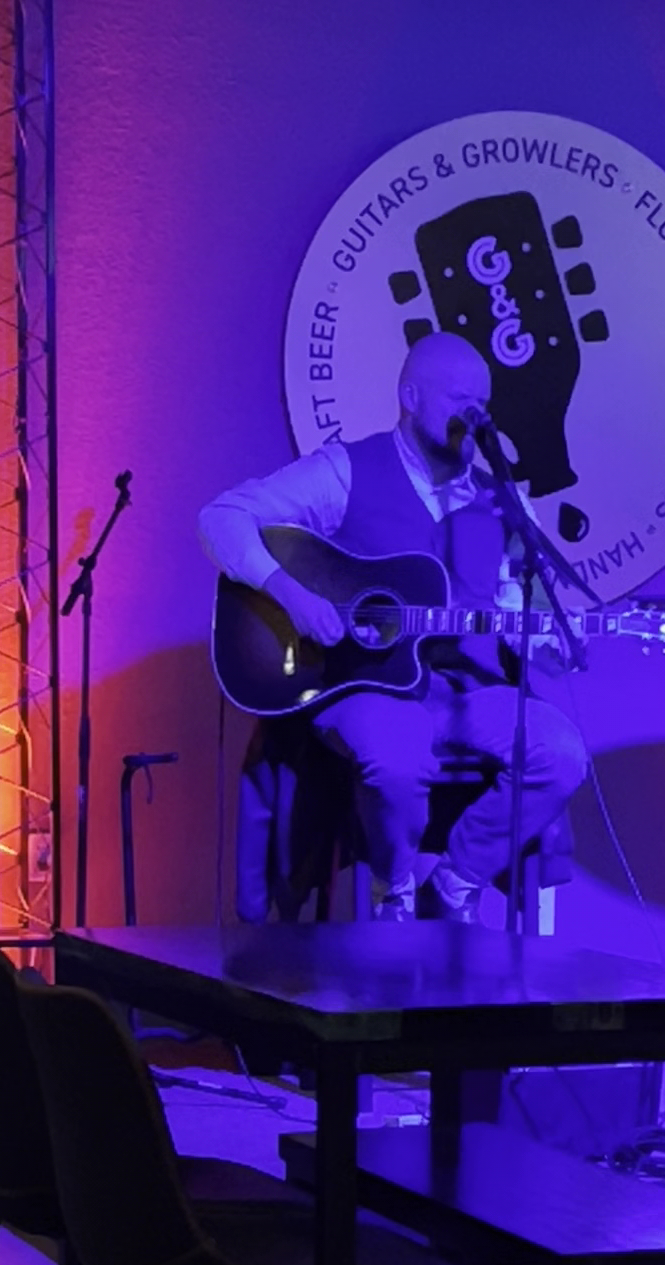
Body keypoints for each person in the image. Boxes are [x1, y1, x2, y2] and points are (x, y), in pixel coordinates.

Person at [198, 332, 587, 923]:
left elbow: (520, 619)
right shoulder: (346, 471)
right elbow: (222, 518)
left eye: (482, 403)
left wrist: (555, 643)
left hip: (469, 694)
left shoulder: (502, 503)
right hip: (368, 687)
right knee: (396, 758)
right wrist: (294, 596)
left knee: (560, 752)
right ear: (410, 396)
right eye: (459, 399)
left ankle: (456, 882)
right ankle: (395, 887)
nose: (474, 416)